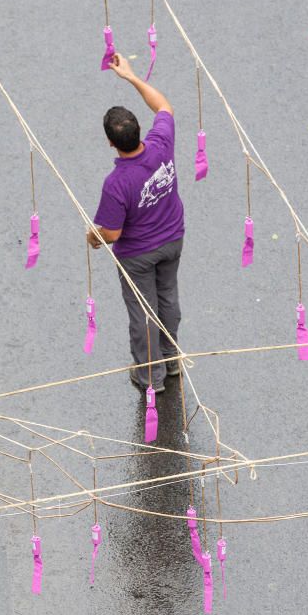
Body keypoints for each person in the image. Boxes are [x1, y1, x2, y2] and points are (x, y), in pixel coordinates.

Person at [88, 53, 184, 393]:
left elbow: (112, 233)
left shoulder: (116, 183)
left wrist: (93, 236)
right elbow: (164, 106)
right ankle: (171, 359)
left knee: (144, 312)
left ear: (110, 142)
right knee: (168, 297)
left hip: (139, 255)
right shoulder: (161, 143)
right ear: (139, 131)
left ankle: (150, 378)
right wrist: (131, 77)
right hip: (173, 238)